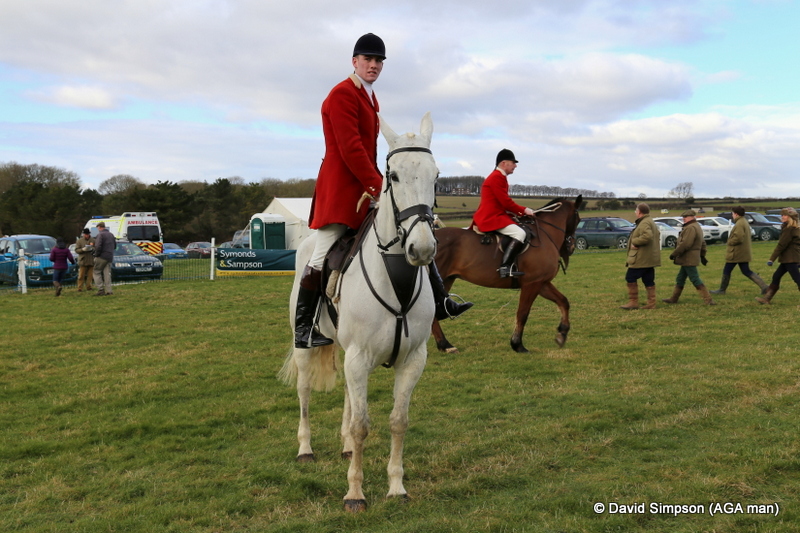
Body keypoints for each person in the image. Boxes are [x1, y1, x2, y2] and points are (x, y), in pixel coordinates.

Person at [294, 33, 471, 349]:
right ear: (355, 61)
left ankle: (441, 301)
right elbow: (351, 150)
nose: (374, 65)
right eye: (368, 60)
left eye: (378, 61)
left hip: (364, 188)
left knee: (410, 231)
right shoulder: (341, 95)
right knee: (320, 253)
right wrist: (379, 186)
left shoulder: (370, 98)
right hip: (341, 190)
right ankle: (304, 328)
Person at [472, 149, 535, 277]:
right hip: (491, 217)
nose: (515, 165)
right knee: (520, 233)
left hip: (497, 215)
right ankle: (505, 268)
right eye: (513, 162)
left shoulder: (500, 177)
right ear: (504, 163)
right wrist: (524, 210)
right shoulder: (497, 177)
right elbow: (506, 202)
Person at [662, 209, 715, 305]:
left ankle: (708, 300)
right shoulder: (696, 226)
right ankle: (674, 298)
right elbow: (702, 243)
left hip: (688, 258)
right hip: (688, 258)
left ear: (692, 217)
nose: (683, 219)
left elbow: (686, 243)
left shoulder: (690, 228)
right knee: (680, 278)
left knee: (694, 278)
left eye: (685, 217)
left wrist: (675, 253)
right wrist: (702, 255)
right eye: (683, 217)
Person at [711, 206, 768, 295]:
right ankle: (764, 287)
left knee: (727, 270)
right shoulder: (743, 221)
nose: (732, 215)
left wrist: (729, 242)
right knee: (746, 271)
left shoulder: (739, 224)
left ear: (736, 214)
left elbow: (738, 238)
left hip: (736, 252)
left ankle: (722, 290)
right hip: (742, 252)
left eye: (732, 213)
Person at [756, 207, 800, 304]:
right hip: (787, 258)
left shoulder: (789, 229)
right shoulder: (790, 227)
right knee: (776, 276)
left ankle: (766, 298)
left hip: (790, 258)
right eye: (782, 215)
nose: (782, 217)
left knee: (797, 279)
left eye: (784, 215)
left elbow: (781, 245)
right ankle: (766, 299)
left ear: (790, 217)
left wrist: (771, 259)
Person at [620, 203, 660, 309]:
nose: (635, 212)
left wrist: (635, 242)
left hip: (642, 258)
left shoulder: (644, 222)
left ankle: (633, 302)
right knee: (648, 279)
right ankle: (651, 303)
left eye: (636, 210)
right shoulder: (650, 221)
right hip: (649, 258)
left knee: (630, 277)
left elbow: (647, 236)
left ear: (639, 212)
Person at [93, 221, 116, 296]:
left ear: (99, 227)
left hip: (102, 256)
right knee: (107, 274)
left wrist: (96, 255)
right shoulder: (111, 235)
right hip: (110, 256)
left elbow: (98, 246)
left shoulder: (100, 235)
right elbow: (115, 246)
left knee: (96, 272)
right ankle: (109, 290)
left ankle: (100, 289)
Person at [75, 228, 95, 292]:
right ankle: (80, 288)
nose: (86, 235)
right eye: (85, 234)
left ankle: (89, 287)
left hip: (91, 260)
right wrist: (82, 250)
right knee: (81, 275)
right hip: (83, 260)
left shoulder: (93, 240)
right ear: (83, 234)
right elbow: (76, 250)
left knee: (90, 276)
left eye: (87, 234)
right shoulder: (79, 241)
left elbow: (96, 248)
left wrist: (92, 249)